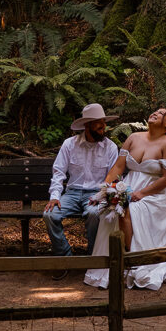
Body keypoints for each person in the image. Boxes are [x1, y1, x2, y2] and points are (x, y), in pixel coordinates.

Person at [84, 107, 166, 291]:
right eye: (154, 111)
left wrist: (143, 193)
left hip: (156, 194)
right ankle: (120, 258)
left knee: (126, 208)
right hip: (129, 186)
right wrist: (105, 188)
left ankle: (132, 261)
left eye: (161, 114)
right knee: (113, 207)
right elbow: (118, 167)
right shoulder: (133, 138)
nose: (155, 113)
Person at [44, 104, 120, 270]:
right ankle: (65, 258)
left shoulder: (110, 147)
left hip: (95, 194)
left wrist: (101, 196)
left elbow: (113, 178)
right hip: (71, 194)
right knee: (50, 215)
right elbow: (58, 173)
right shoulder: (70, 144)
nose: (103, 127)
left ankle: (92, 259)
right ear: (87, 125)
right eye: (98, 123)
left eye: (103, 122)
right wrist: (55, 197)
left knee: (94, 214)